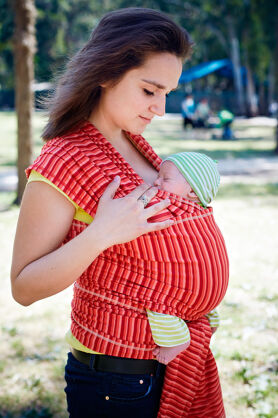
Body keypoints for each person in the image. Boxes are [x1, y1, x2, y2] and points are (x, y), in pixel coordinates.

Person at [10, 8, 228, 418]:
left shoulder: (137, 145)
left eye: (167, 93)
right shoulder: (64, 161)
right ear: (107, 74)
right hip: (119, 381)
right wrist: (100, 234)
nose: (160, 108)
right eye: (149, 91)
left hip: (175, 362)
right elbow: (23, 287)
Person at [147, 152, 221, 365]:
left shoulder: (173, 211)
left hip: (186, 295)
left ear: (191, 191)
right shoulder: (202, 214)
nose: (156, 181)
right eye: (158, 176)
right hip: (210, 295)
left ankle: (176, 340)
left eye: (165, 178)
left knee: (156, 299)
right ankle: (211, 316)